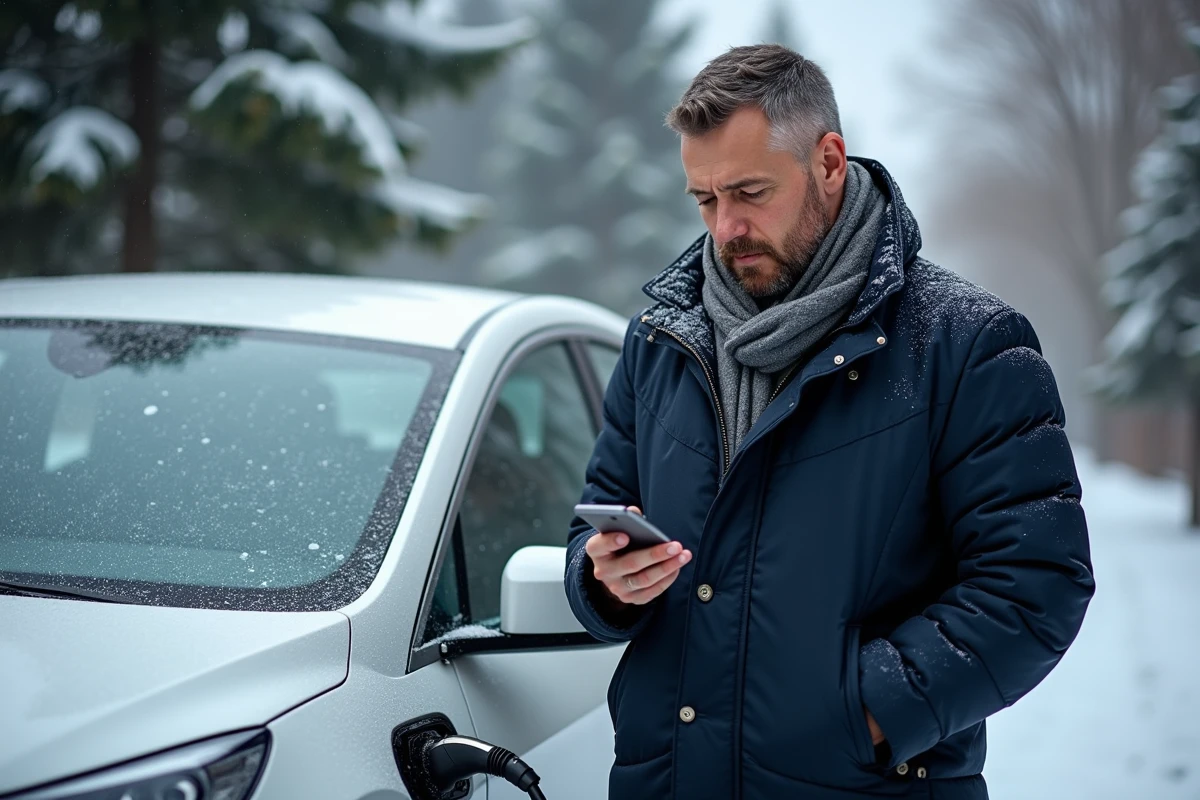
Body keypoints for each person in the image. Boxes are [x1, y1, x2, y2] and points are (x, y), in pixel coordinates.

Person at [563, 44, 1094, 800]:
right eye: (705, 199)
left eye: (750, 191)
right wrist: (604, 577)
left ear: (830, 162)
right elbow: (593, 525)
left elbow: (1035, 585)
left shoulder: (966, 343)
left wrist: (863, 713)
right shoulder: (660, 341)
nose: (726, 227)